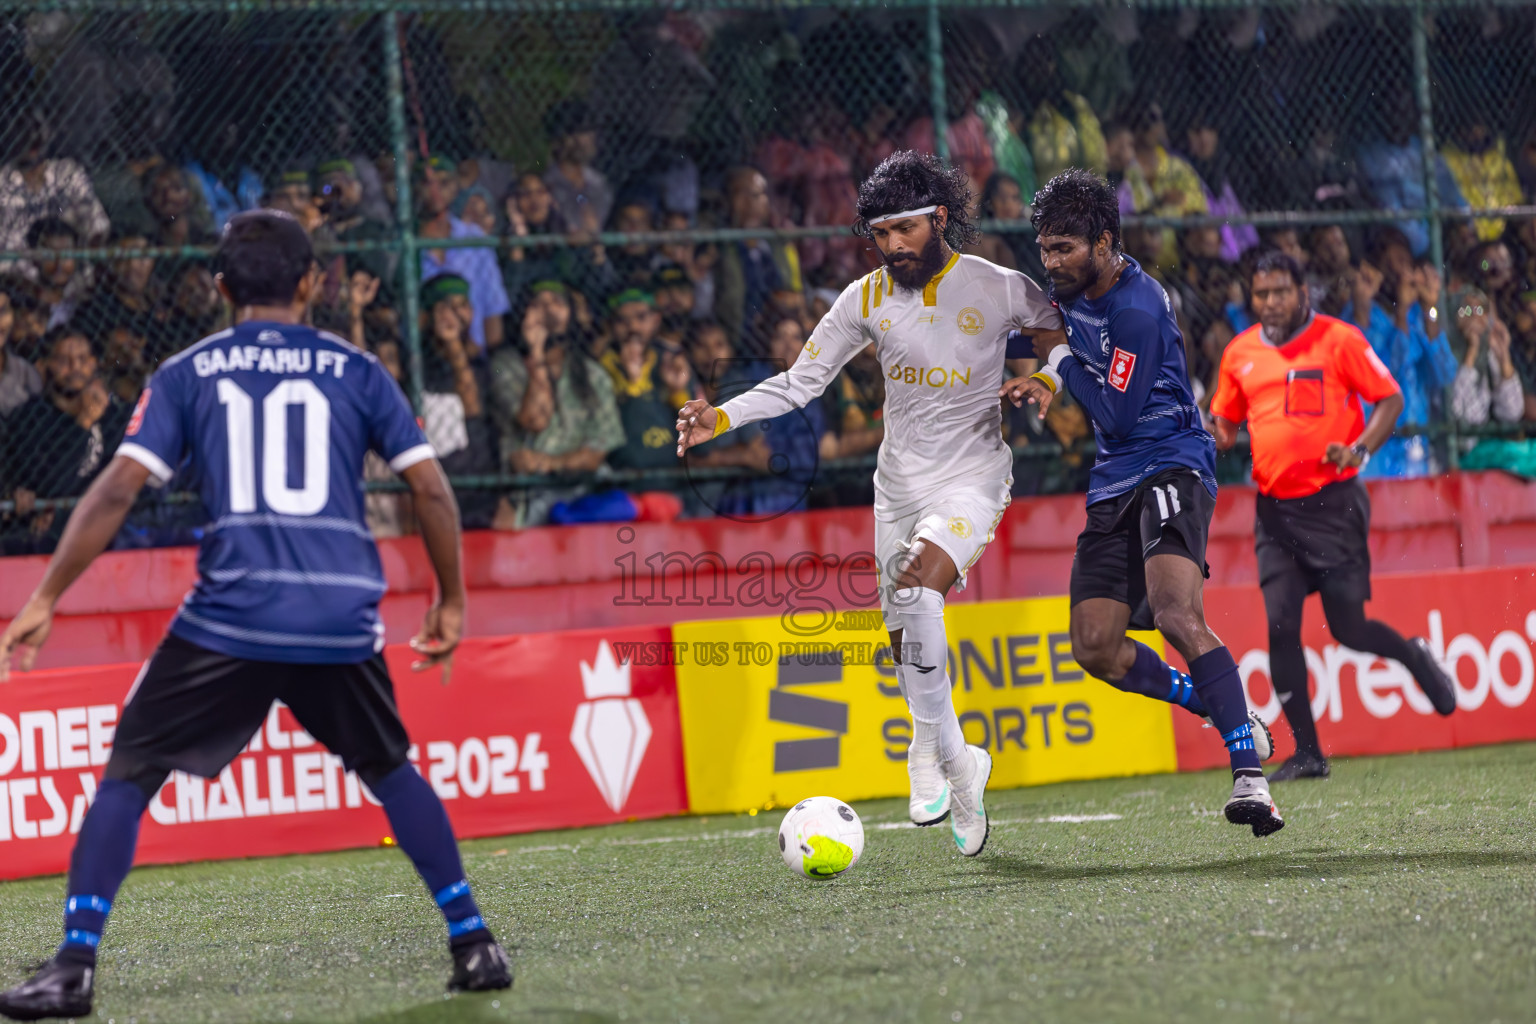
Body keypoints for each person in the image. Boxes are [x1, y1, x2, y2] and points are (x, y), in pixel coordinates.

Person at [0, 210, 512, 1020]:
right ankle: (474, 940)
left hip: (230, 617)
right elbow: (432, 490)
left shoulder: (186, 371)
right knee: (389, 767)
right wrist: (451, 601)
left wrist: (44, 596)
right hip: (339, 618)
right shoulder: (359, 368)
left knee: (130, 770)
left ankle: (73, 967)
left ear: (220, 287)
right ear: (313, 283)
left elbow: (117, 489)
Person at [677, 150, 1063, 856]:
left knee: (919, 589)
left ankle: (938, 759)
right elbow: (800, 382)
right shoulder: (864, 297)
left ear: (939, 219)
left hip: (972, 477)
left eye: (904, 231)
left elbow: (1057, 334)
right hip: (896, 488)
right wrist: (721, 417)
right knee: (902, 632)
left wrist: (1048, 381)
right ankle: (949, 753)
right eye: (879, 235)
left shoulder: (997, 286)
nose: (891, 247)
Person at [1005, 169, 1283, 838]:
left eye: (1065, 248)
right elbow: (1025, 339)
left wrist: (1061, 361)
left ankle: (1253, 780)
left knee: (1176, 613)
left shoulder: (1137, 307)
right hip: (1112, 483)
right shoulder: (1066, 292)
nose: (1052, 262)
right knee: (1094, 646)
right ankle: (1220, 709)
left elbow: (1119, 413)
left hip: (1170, 461)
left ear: (1104, 243)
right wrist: (1035, 361)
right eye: (1044, 249)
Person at [1209, 250, 1458, 781]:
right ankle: (1307, 752)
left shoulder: (1339, 340)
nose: (1270, 302)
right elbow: (1225, 423)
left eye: (1280, 291)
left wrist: (1361, 449)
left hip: (1334, 504)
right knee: (1280, 625)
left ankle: (1413, 656)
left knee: (1349, 628)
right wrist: (1214, 436)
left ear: (1303, 292)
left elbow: (1389, 400)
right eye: (1261, 294)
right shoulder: (1239, 353)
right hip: (1273, 512)